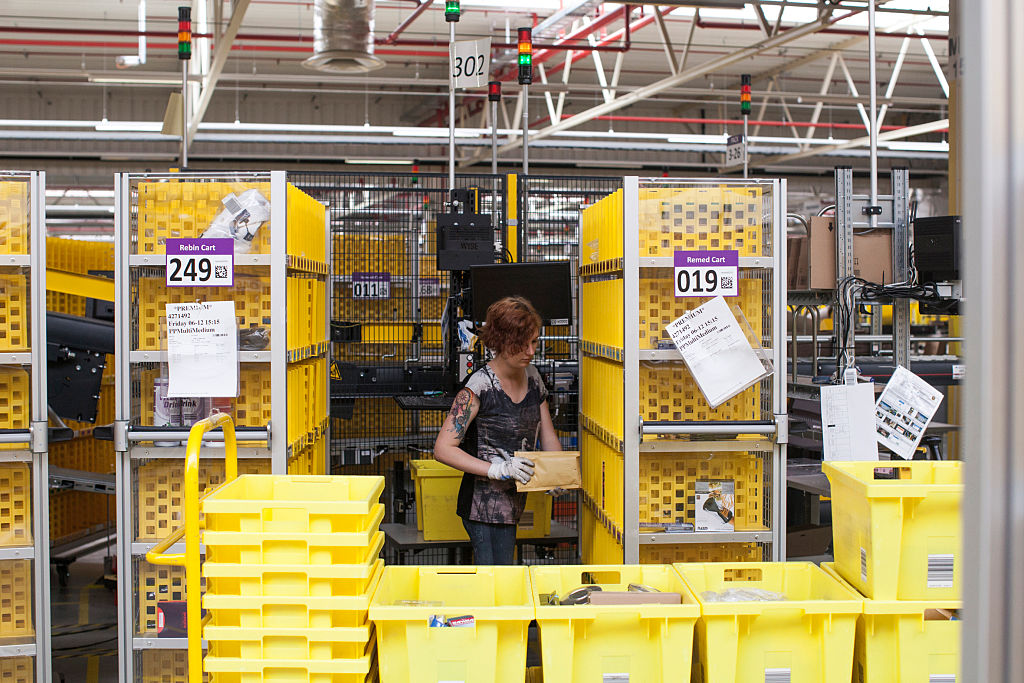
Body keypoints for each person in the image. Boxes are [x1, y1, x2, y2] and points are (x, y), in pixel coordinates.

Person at [433, 296, 561, 565]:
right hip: (481, 507)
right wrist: (497, 469)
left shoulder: (533, 378)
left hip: (513, 504)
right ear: (501, 341)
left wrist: (558, 473)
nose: (530, 351)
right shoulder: (479, 385)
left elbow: (547, 434)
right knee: (496, 575)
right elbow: (443, 449)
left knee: (503, 573)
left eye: (534, 342)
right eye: (521, 343)